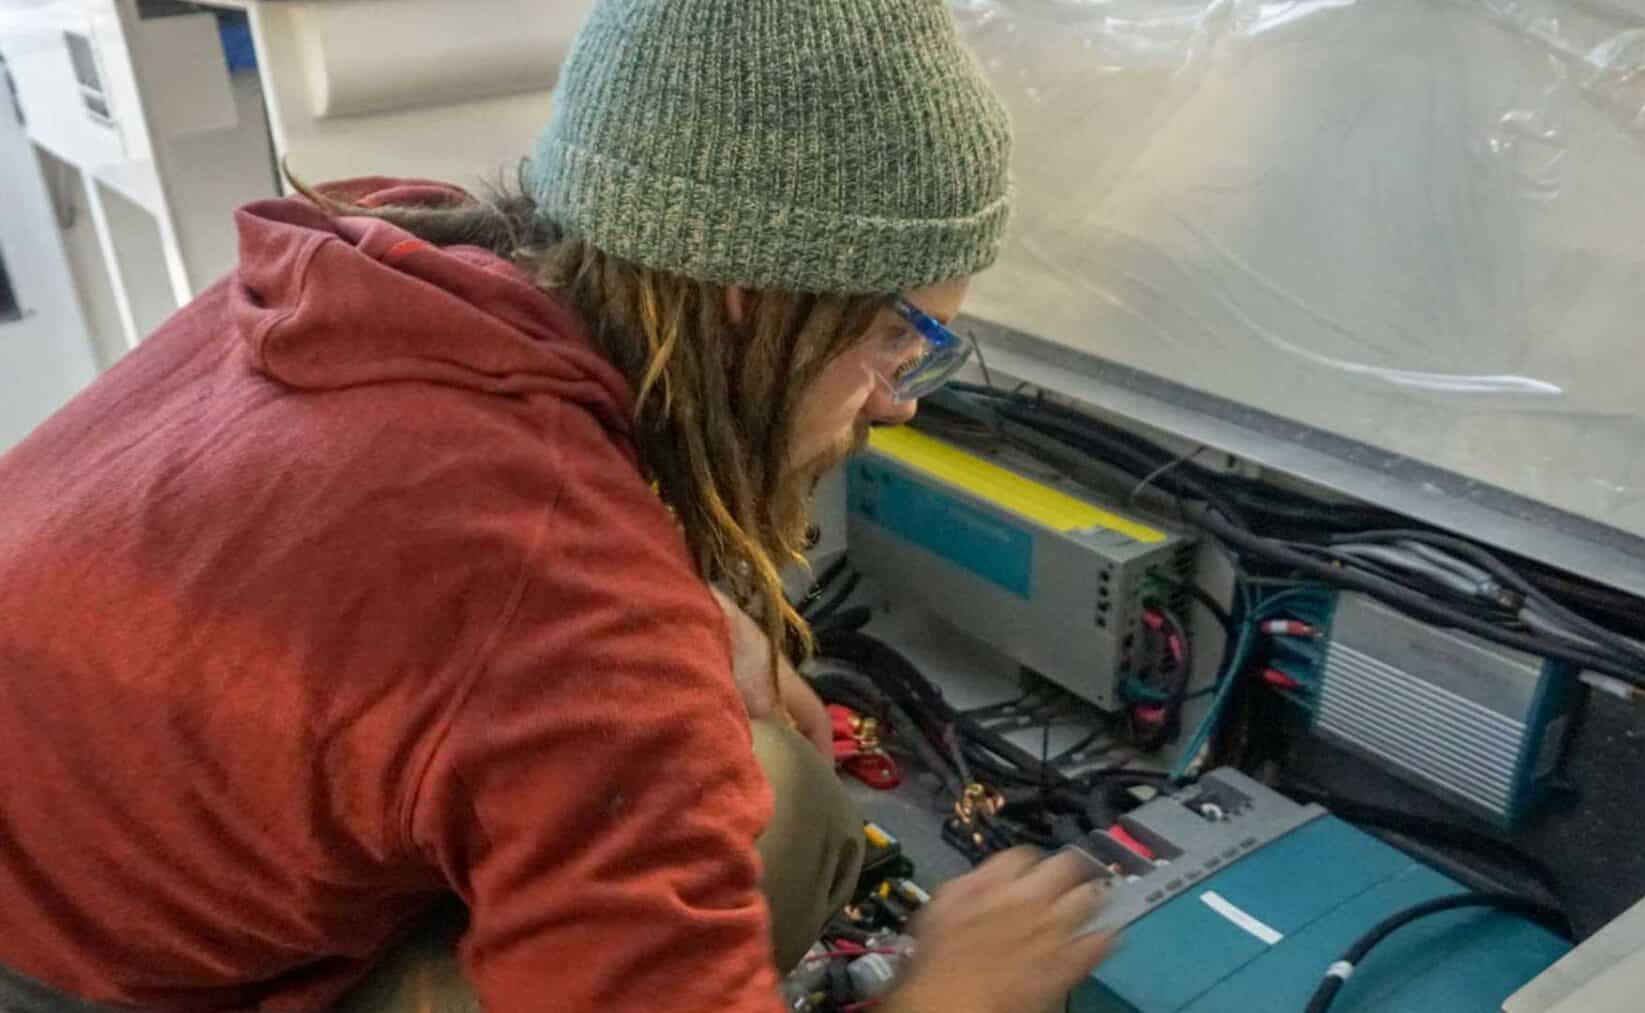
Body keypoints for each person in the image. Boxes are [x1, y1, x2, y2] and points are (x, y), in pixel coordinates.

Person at [0, 0, 1112, 1011]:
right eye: (897, 343)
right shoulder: (565, 602)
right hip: (67, 979)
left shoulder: (384, 261)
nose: (897, 403)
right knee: (785, 814)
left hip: (60, 866)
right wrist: (953, 993)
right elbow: (533, 600)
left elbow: (436, 581)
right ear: (750, 298)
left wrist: (692, 619)